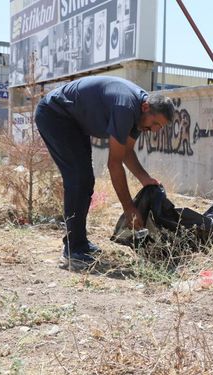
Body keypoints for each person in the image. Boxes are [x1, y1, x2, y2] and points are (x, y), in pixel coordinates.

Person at [35, 76, 175, 270]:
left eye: (159, 127)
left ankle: (79, 243)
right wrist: (128, 208)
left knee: (84, 180)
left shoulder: (140, 118)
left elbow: (126, 152)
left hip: (74, 123)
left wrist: (145, 179)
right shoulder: (125, 107)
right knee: (78, 178)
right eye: (155, 124)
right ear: (145, 107)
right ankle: (74, 250)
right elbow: (114, 164)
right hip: (55, 115)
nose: (154, 130)